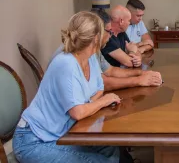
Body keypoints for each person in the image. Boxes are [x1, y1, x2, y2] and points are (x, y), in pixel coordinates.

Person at [13, 11, 121, 163]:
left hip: (60, 133)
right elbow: (78, 112)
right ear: (96, 38)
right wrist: (102, 102)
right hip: (34, 140)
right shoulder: (66, 63)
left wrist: (87, 106)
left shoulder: (90, 58)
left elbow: (99, 88)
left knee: (110, 147)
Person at [51, 9, 162, 91]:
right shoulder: (71, 57)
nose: (111, 36)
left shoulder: (94, 50)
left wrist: (141, 73)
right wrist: (139, 80)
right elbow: (104, 82)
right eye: (109, 31)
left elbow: (109, 71)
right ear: (97, 33)